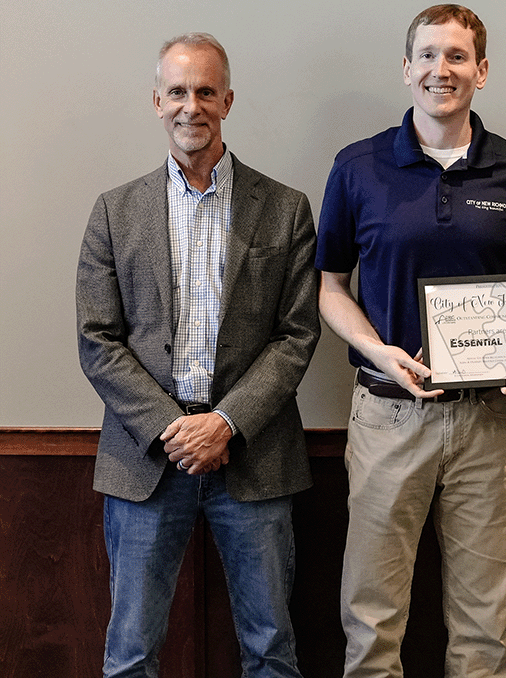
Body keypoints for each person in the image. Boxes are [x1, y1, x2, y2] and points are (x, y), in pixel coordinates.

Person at [315, 4, 506, 678]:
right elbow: (331, 286)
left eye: (455, 57)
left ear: (481, 71)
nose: (439, 70)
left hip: (486, 421)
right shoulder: (357, 168)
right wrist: (375, 349)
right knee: (372, 619)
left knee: (483, 629)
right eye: (426, 55)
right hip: (388, 414)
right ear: (406, 68)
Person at [76, 33, 320, 677]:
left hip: (254, 453)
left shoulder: (286, 210)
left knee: (271, 649)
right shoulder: (114, 212)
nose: (192, 106)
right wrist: (171, 428)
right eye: (178, 92)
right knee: (130, 653)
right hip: (145, 458)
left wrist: (225, 423)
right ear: (156, 100)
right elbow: (98, 340)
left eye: (206, 92)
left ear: (228, 100)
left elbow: (297, 336)